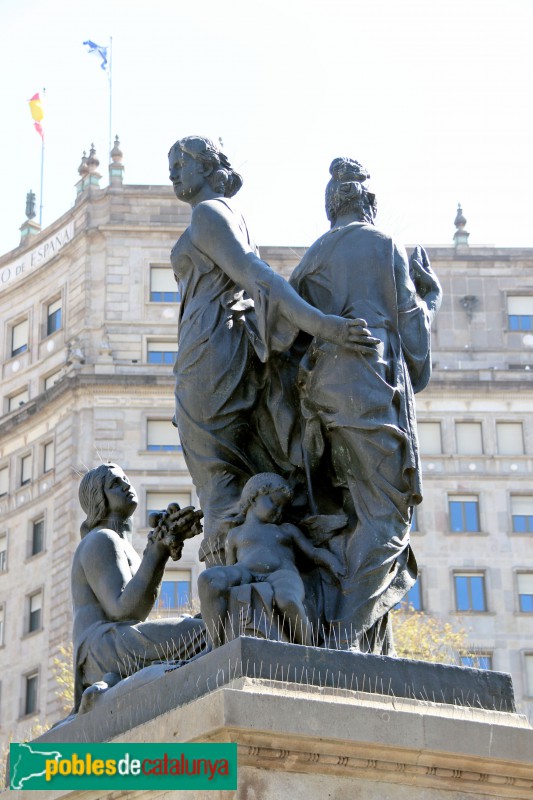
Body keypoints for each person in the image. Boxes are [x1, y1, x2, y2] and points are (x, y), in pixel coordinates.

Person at [168, 137, 379, 566]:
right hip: (220, 348)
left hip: (209, 354)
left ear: (210, 167)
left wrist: (324, 327)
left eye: (182, 162)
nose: (173, 171)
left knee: (217, 478)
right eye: (170, 164)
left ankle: (231, 602)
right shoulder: (225, 216)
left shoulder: (209, 213)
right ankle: (248, 591)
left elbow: (257, 277)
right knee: (231, 476)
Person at [289, 157, 442, 653]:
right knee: (386, 519)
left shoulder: (311, 256)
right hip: (370, 390)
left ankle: (371, 642)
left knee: (349, 517)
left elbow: (285, 332)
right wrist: (430, 298)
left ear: (331, 207)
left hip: (322, 401)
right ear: (369, 204)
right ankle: (342, 641)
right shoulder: (384, 246)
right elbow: (413, 343)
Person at [71, 463, 207, 711]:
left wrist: (160, 548)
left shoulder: (123, 546)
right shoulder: (101, 539)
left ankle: (112, 689)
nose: (125, 485)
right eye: (115, 483)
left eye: (125, 479)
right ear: (99, 498)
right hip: (103, 647)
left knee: (205, 626)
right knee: (207, 631)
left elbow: (135, 611)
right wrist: (158, 551)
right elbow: (122, 610)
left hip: (117, 640)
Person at [197, 473, 345, 647]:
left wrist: (331, 561)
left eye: (283, 507)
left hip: (281, 573)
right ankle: (214, 645)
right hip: (245, 571)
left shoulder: (286, 530)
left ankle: (307, 648)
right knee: (208, 579)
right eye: (274, 502)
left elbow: (311, 552)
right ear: (253, 498)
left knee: (288, 600)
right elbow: (230, 565)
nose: (279, 511)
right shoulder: (234, 534)